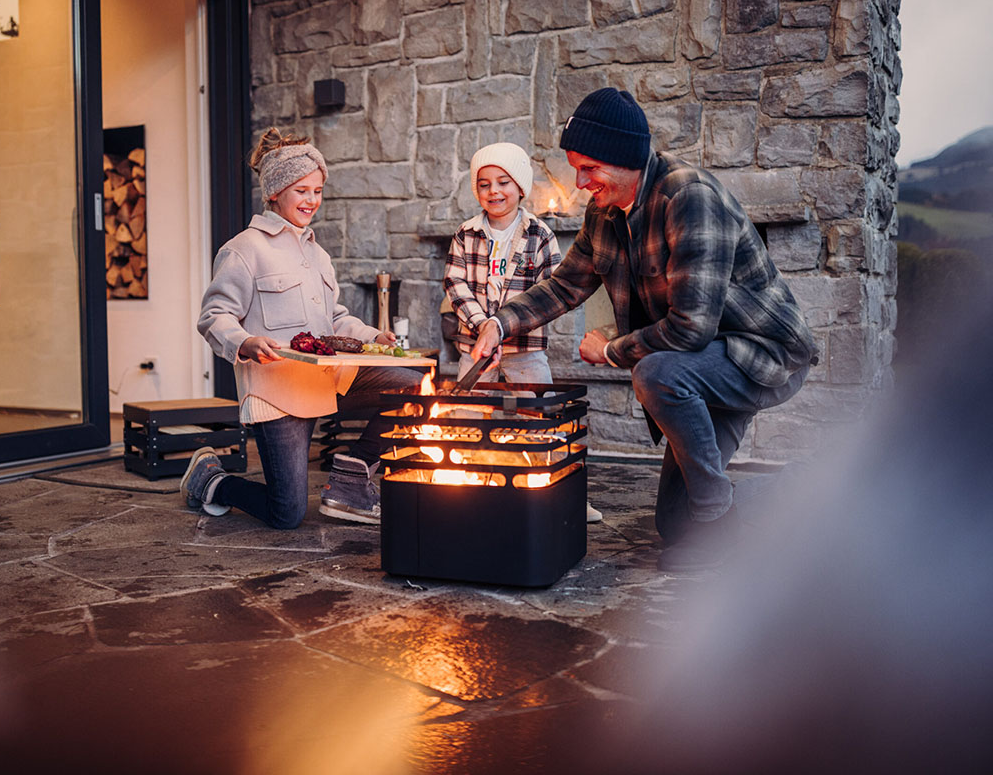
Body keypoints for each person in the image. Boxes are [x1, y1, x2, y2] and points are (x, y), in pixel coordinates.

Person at [470, 89, 818, 572]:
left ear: (626, 157)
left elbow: (691, 329)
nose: (579, 181)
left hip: (758, 353)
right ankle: (802, 490)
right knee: (676, 525)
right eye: (576, 167)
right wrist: (499, 322)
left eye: (589, 167)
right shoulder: (604, 212)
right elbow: (567, 284)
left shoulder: (689, 197)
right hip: (698, 364)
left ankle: (721, 526)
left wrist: (611, 350)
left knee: (655, 373)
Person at [185, 128, 421, 528]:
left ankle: (351, 476)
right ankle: (210, 480)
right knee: (287, 514)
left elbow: (334, 321)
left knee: (413, 388)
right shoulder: (243, 249)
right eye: (302, 191)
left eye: (317, 190)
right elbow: (214, 316)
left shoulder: (318, 254)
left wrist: (371, 336)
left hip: (331, 380)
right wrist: (244, 342)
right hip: (279, 393)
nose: (312, 200)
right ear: (275, 192)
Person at [444, 142, 561, 385]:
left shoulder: (540, 234)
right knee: (467, 412)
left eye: (503, 182)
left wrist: (506, 326)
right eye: (484, 185)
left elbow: (550, 292)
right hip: (475, 346)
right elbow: (454, 283)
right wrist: (483, 325)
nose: (493, 191)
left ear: (520, 187)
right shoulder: (466, 233)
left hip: (525, 348)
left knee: (539, 412)